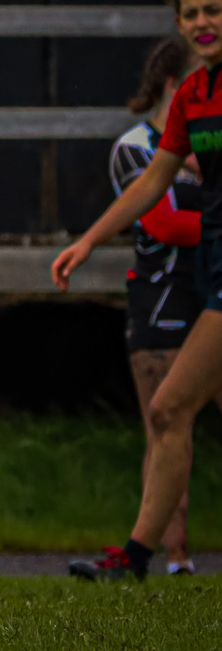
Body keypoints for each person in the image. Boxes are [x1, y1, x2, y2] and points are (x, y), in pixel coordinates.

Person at [56, 0, 222, 580]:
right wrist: (90, 241)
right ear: (179, 25)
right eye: (192, 13)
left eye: (214, 9)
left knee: (169, 409)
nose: (203, 22)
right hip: (212, 274)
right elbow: (154, 181)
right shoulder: (195, 98)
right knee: (170, 412)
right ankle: (142, 557)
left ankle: (137, 557)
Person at [109, 36, 219, 576]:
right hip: (163, 299)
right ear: (179, 86)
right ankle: (170, 554)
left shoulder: (207, 140)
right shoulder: (137, 146)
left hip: (213, 292)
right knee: (166, 422)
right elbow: (163, 221)